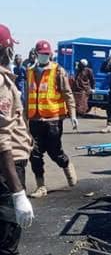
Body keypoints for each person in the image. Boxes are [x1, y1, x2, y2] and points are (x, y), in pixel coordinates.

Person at [0, 24, 35, 255]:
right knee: (5, 252)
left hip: (7, 169)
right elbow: (1, 141)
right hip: (6, 173)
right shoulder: (1, 82)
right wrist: (17, 193)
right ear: (6, 49)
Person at [26, 40, 78, 199]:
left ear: (50, 55)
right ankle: (41, 186)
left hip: (53, 120)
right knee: (34, 153)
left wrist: (73, 115)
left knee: (55, 152)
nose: (44, 56)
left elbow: (67, 94)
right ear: (36, 54)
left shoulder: (58, 71)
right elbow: (27, 97)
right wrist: (23, 119)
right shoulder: (30, 71)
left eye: (46, 54)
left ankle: (67, 165)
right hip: (35, 119)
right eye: (41, 54)